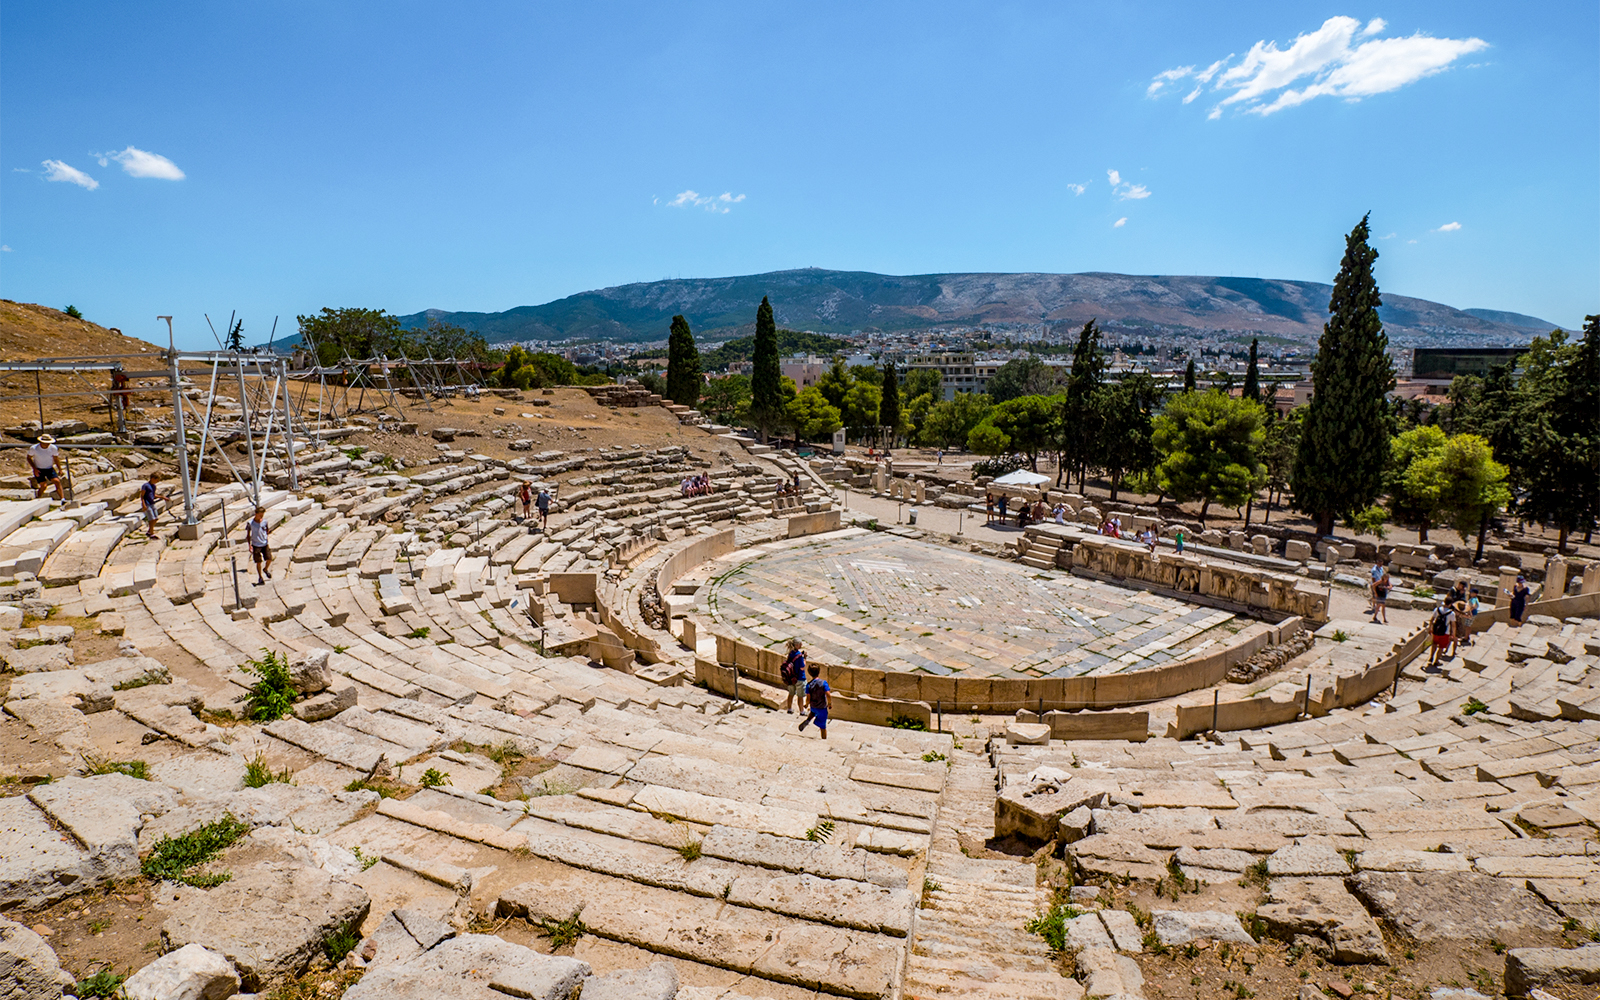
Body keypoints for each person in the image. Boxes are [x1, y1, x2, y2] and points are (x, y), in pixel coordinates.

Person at [798, 662, 832, 740]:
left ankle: (808, 719)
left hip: (813, 706)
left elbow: (808, 698)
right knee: (823, 727)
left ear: (809, 673)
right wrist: (829, 703)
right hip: (822, 707)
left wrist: (806, 704)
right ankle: (824, 740)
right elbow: (828, 694)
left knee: (813, 712)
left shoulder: (809, 685)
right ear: (819, 672)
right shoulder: (823, 683)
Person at [26, 434, 64, 501]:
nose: (47, 444)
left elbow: (56, 459)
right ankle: (38, 498)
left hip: (49, 468)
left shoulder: (53, 448)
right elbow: (29, 458)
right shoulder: (34, 448)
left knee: (57, 481)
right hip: (39, 469)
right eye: (46, 443)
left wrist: (60, 469)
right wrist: (34, 469)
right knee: (43, 485)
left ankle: (62, 499)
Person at [245, 506, 273, 584]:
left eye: (262, 515)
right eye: (260, 515)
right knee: (258, 562)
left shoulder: (265, 521)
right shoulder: (250, 523)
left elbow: (266, 530)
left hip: (264, 543)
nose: (261, 517)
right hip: (256, 544)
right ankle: (260, 577)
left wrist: (268, 532)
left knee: (269, 558)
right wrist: (249, 545)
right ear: (256, 514)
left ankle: (265, 569)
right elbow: (248, 535)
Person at [780, 637, 807, 714]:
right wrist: (804, 658)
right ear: (797, 645)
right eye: (800, 644)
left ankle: (789, 709)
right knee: (800, 696)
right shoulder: (799, 655)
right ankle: (802, 711)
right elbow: (802, 667)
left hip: (791, 677)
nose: (801, 645)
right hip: (799, 678)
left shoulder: (790, 653)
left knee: (791, 694)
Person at [1426, 600, 1455, 670]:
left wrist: (1430, 628)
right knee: (1441, 647)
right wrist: (1453, 634)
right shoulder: (1451, 613)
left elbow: (1432, 619)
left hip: (1436, 630)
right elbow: (1453, 625)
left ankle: (1431, 657)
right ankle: (1436, 661)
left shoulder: (1437, 610)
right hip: (1445, 632)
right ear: (1450, 604)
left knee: (1434, 644)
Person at [139, 472, 165, 538]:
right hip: (147, 503)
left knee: (156, 518)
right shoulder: (145, 485)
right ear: (153, 478)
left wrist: (162, 497)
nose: (157, 482)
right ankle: (152, 534)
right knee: (151, 519)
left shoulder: (154, 486)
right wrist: (143, 505)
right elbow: (142, 496)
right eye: (157, 480)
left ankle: (149, 531)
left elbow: (153, 495)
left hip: (152, 503)